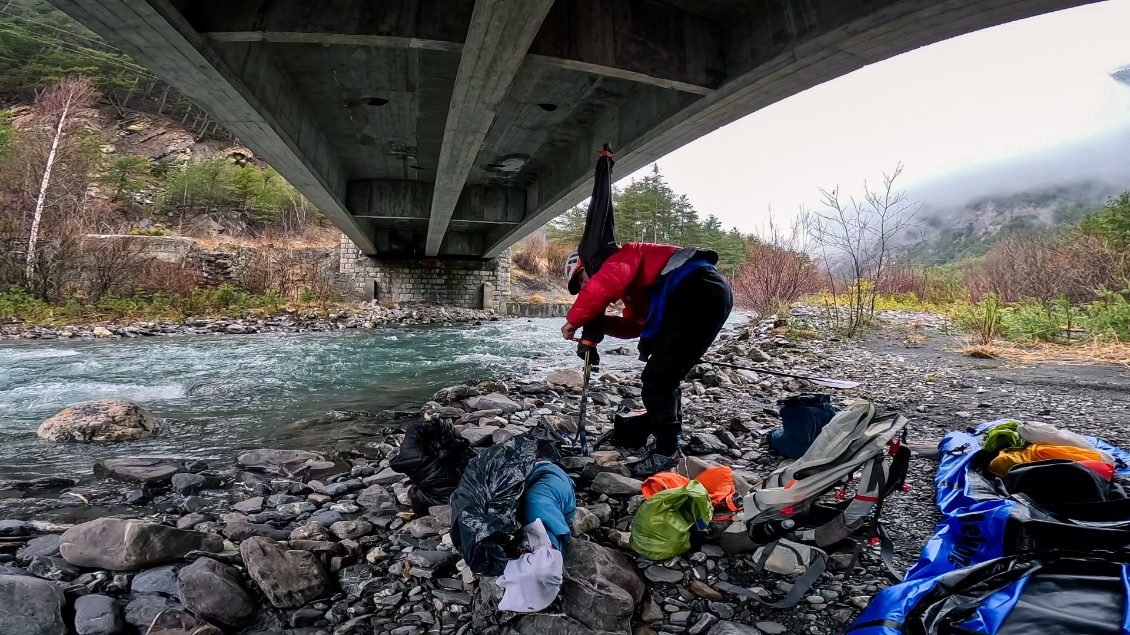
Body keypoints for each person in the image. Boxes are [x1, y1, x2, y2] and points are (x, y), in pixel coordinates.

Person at [561, 243, 733, 477]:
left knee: (657, 377)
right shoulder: (634, 288)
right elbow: (637, 324)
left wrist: (575, 319)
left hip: (697, 289)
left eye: (582, 280)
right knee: (666, 373)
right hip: (701, 293)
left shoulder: (622, 257)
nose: (584, 287)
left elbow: (602, 287)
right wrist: (598, 323)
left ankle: (667, 451)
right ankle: (671, 441)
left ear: (590, 265)